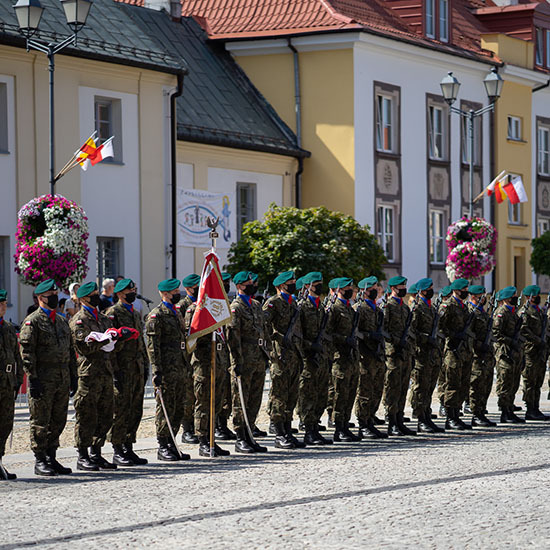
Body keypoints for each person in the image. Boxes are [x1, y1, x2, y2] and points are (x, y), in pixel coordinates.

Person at [19, 279, 77, 476]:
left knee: (58, 419)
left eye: (55, 295)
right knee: (40, 420)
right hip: (42, 379)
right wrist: (32, 379)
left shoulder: (61, 321)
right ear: (40, 298)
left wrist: (73, 377)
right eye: (50, 296)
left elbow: (70, 351)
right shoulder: (32, 322)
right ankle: (40, 459)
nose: (54, 298)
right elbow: (27, 353)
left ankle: (52, 456)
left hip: (61, 378)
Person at [71, 281, 130, 471]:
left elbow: (111, 348)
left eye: (97, 293)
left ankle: (96, 453)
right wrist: (103, 339)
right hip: (89, 373)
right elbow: (83, 346)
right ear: (84, 298)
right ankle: (83, 455)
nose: (97, 297)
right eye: (93, 294)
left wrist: (119, 337)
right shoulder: (79, 320)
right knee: (87, 414)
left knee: (105, 415)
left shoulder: (104, 319)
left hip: (105, 371)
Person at [184, 271, 232, 458]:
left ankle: (213, 439)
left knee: (216, 403)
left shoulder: (214, 308)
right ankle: (203, 440)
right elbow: (191, 336)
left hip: (218, 362)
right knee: (203, 403)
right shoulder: (195, 310)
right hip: (203, 363)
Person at [145, 278, 191, 461]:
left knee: (178, 407)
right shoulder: (157, 316)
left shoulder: (176, 312)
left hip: (180, 367)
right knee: (165, 408)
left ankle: (172, 442)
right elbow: (153, 347)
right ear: (165, 293)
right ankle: (163, 445)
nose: (177, 294)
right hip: (166, 370)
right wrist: (156, 371)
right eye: (174, 292)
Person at [105, 278, 149, 465]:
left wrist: (145, 365)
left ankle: (128, 446)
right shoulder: (113, 313)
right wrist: (115, 372)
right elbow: (110, 345)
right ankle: (117, 448)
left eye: (135, 289)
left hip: (137, 367)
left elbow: (141, 343)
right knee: (121, 410)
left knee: (135, 409)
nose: (133, 292)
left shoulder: (135, 313)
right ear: (120, 294)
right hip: (122, 368)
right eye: (130, 290)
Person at [227, 271, 269, 453]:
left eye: (252, 282)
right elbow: (232, 337)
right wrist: (236, 361)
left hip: (258, 357)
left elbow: (263, 330)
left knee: (255, 398)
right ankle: (240, 437)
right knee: (240, 398)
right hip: (243, 358)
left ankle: (250, 432)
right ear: (239, 286)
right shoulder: (235, 307)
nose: (252, 285)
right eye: (247, 283)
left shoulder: (256, 305)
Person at [263, 271, 305, 449]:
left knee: (292, 394)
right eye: (290, 282)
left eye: (294, 282)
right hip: (280, 355)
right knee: (279, 395)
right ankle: (279, 433)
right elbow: (262, 325)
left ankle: (288, 430)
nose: (293, 284)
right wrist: (275, 339)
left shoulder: (293, 302)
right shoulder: (273, 303)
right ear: (280, 286)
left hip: (294, 353)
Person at [297, 272, 332, 445]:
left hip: (322, 356)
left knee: (321, 394)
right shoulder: (302, 306)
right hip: (307, 357)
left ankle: (315, 426)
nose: (319, 286)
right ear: (308, 286)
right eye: (317, 283)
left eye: (321, 282)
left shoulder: (321, 306)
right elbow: (298, 333)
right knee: (308, 394)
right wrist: (309, 347)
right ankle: (308, 430)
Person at [326, 277, 360, 442]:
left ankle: (345, 424)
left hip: (351, 358)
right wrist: (343, 340)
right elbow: (327, 333)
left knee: (350, 392)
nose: (350, 290)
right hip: (339, 358)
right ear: (338, 289)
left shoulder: (351, 310)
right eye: (347, 287)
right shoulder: (334, 309)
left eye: (351, 287)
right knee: (339, 393)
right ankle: (338, 428)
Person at [354, 276, 387, 439]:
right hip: (364, 355)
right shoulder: (359, 308)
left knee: (377, 389)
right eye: (372, 288)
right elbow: (355, 332)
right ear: (364, 290)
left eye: (376, 287)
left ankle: (370, 419)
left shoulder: (378, 310)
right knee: (365, 390)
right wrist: (369, 336)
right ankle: (363, 423)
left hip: (377, 355)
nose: (376, 290)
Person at [409, 278, 444, 433]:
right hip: (421, 354)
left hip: (432, 354)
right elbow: (412, 331)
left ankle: (427, 415)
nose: (431, 290)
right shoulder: (417, 307)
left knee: (429, 386)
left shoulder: (430, 307)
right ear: (422, 290)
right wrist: (425, 338)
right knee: (420, 387)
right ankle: (420, 418)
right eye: (429, 288)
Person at [383, 275, 416, 436]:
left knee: (403, 388)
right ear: (392, 289)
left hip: (404, 353)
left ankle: (399, 418)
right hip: (392, 354)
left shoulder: (405, 308)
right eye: (400, 287)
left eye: (404, 286)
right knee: (392, 387)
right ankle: (391, 421)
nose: (403, 289)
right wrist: (396, 341)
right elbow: (384, 330)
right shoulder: (387, 307)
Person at [439, 278, 474, 430]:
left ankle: (457, 412)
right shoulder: (447, 306)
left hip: (464, 350)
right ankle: (450, 416)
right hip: (452, 350)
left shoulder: (463, 306)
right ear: (457, 290)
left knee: (463, 383)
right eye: (464, 289)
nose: (466, 292)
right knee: (452, 383)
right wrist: (452, 336)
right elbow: (439, 328)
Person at [492, 286, 525, 424]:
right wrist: (510, 341)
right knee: (505, 382)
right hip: (505, 352)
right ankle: (505, 412)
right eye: (513, 296)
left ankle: (510, 409)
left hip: (515, 353)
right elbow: (496, 333)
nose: (516, 298)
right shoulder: (501, 313)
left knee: (513, 382)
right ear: (506, 298)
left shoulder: (513, 313)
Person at [466, 286, 497, 427]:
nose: (483, 298)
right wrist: (478, 344)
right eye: (480, 295)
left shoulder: (482, 311)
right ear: (473, 296)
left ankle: (481, 411)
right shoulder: (470, 311)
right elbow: (468, 332)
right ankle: (475, 414)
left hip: (486, 353)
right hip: (476, 354)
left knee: (485, 383)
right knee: (476, 384)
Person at [0, 289, 23, 480]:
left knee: (5, 423)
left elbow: (17, 356)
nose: (3, 307)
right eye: (0, 304)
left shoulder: (8, 328)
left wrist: (18, 379)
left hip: (7, 382)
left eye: (4, 304)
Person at [519, 285, 549, 421]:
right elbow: (523, 330)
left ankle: (535, 407)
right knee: (530, 381)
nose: (538, 298)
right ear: (529, 297)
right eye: (535, 296)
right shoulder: (525, 312)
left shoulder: (539, 311)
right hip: (530, 351)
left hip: (540, 351)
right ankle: (530, 409)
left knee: (538, 381)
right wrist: (538, 340)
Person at [178, 273, 201, 445]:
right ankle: (187, 429)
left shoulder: (203, 303)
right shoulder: (182, 306)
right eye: (197, 287)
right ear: (188, 289)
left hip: (200, 356)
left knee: (199, 394)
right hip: (187, 356)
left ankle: (199, 426)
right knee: (188, 395)